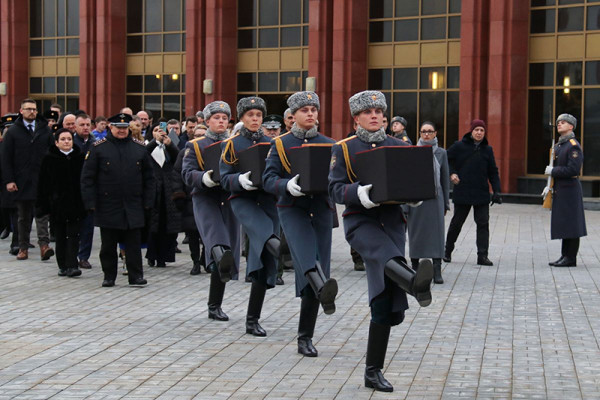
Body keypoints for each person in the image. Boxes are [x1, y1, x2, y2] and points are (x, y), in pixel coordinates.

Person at [328, 90, 433, 392]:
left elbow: (412, 181)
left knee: (384, 301)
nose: (375, 116)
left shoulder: (399, 145)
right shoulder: (343, 148)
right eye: (368, 112)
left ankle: (372, 372)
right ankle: (414, 283)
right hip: (361, 222)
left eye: (379, 111)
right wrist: (357, 193)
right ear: (356, 117)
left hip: (391, 223)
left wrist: (413, 197)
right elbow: (334, 189)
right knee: (385, 256)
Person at [263, 91, 337, 357]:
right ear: (292, 115)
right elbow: (268, 179)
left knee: (318, 267)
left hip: (321, 209)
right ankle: (320, 297)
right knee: (307, 259)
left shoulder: (330, 144)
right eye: (304, 110)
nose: (310, 114)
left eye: (314, 110)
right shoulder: (280, 144)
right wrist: (287, 185)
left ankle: (306, 336)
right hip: (292, 209)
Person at [220, 96, 281, 336]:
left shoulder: (273, 142)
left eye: (258, 115)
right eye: (250, 115)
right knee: (266, 237)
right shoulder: (232, 144)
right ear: (242, 118)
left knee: (262, 260)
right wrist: (239, 180)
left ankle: (252, 319)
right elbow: (224, 177)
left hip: (268, 202)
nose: (255, 119)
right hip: (244, 202)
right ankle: (294, 255)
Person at [80, 113, 155, 287]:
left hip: (133, 204)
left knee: (133, 245)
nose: (121, 131)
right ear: (109, 127)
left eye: (124, 128)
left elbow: (149, 178)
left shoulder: (139, 148)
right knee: (108, 245)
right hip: (107, 204)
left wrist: (148, 201)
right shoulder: (98, 148)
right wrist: (90, 203)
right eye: (117, 127)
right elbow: (87, 178)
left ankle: (136, 276)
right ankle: (109, 276)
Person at [182, 101, 240, 321]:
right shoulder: (195, 145)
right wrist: (203, 177)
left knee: (228, 254)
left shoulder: (235, 144)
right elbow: (187, 174)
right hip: (206, 199)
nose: (221, 122)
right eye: (216, 118)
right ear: (207, 121)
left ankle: (214, 304)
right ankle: (214, 304)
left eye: (225, 118)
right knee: (217, 242)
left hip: (229, 199)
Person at [1, 99, 54, 261]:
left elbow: (52, 154)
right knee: (23, 216)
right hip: (21, 180)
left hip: (41, 179)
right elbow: (6, 158)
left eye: (34, 109)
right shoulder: (13, 132)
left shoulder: (44, 130)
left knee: (42, 215)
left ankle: (44, 246)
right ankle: (22, 247)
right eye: (28, 109)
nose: (32, 112)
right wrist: (9, 180)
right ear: (21, 111)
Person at [444, 119, 502, 266]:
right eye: (476, 130)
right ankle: (447, 251)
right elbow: (446, 159)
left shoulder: (487, 150)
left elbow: (493, 172)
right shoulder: (459, 146)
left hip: (481, 193)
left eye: (482, 130)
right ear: (471, 131)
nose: (479, 133)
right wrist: (452, 173)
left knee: (483, 224)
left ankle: (482, 256)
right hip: (463, 191)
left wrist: (496, 191)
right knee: (457, 223)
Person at [37, 128, 86, 277]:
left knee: (73, 235)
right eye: (63, 139)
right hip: (57, 205)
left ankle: (72, 265)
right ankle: (63, 265)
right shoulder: (49, 158)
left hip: (75, 204)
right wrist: (43, 205)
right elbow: (43, 184)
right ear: (57, 142)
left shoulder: (80, 157)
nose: (66, 142)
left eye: (69, 139)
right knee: (60, 236)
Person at [405, 121, 450, 284]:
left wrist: (446, 203)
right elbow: (407, 180)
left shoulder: (441, 153)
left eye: (429, 131)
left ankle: (437, 270)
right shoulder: (412, 151)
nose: (426, 134)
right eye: (423, 131)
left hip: (435, 200)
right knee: (416, 235)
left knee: (437, 235)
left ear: (435, 133)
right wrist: (405, 204)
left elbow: (445, 179)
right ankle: (415, 268)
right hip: (416, 200)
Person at [543, 113, 587, 267]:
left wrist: (553, 171)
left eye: (563, 122)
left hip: (570, 189)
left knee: (572, 224)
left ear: (571, 126)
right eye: (558, 122)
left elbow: (573, 170)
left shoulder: (573, 146)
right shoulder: (560, 145)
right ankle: (564, 255)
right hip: (561, 189)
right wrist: (549, 184)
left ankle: (571, 257)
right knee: (565, 223)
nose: (559, 124)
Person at [145, 123, 181, 268]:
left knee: (167, 226)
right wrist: (155, 141)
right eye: (156, 131)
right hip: (153, 190)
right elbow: (144, 154)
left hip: (168, 190)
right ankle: (152, 255)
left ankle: (164, 256)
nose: (160, 133)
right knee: (153, 226)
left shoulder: (170, 145)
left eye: (162, 131)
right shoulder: (147, 145)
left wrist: (169, 144)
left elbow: (178, 158)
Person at [72, 114, 97, 270]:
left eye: (88, 124)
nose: (85, 127)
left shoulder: (96, 144)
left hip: (89, 191)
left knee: (88, 227)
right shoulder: (70, 143)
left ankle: (84, 257)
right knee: (74, 227)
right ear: (75, 127)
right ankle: (72, 255)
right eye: (82, 125)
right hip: (73, 190)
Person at [0, 114, 20, 255]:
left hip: (16, 184)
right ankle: (6, 227)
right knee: (5, 211)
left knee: (17, 213)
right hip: (2, 185)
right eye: (6, 129)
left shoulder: (20, 145)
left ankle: (17, 242)